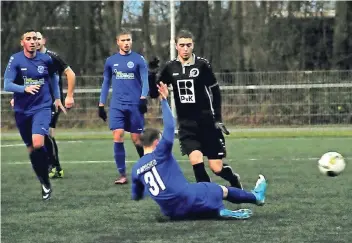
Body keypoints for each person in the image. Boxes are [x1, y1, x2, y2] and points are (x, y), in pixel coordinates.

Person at [131, 82, 267, 220]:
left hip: (172, 213)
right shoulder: (160, 151)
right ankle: (255, 197)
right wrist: (164, 100)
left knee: (193, 201)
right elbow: (170, 126)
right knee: (220, 190)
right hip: (187, 197)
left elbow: (136, 196)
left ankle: (217, 212)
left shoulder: (136, 170)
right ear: (156, 142)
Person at [151, 29, 242, 188]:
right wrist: (151, 73)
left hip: (207, 122)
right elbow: (153, 93)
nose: (185, 48)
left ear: (193, 45)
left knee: (216, 168)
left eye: (188, 45)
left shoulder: (202, 65)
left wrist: (218, 118)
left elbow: (215, 91)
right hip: (187, 125)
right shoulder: (170, 68)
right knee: (196, 160)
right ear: (176, 46)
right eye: (182, 45)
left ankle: (234, 179)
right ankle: (207, 198)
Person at [3, 29, 66, 200]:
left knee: (38, 142)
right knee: (31, 149)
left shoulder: (46, 59)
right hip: (22, 110)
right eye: (28, 39)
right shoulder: (15, 60)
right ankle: (45, 184)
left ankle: (50, 161)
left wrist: (58, 98)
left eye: (34, 39)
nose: (32, 41)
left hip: (42, 107)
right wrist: (24, 89)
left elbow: (54, 78)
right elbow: (7, 84)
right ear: (22, 42)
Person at [98, 29, 149, 184]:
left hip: (134, 104)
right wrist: (101, 104)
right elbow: (106, 82)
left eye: (129, 40)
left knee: (136, 139)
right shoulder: (111, 61)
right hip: (117, 105)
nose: (126, 43)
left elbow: (145, 80)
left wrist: (143, 98)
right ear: (117, 42)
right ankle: (122, 175)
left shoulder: (139, 59)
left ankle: (146, 169)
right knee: (118, 135)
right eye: (123, 40)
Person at [36, 31, 76, 178]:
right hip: (37, 103)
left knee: (45, 132)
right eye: (33, 39)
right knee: (45, 134)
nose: (35, 41)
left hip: (53, 102)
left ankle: (54, 167)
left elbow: (71, 74)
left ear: (44, 40)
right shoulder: (30, 59)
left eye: (38, 38)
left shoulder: (52, 57)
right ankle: (55, 166)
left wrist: (69, 96)